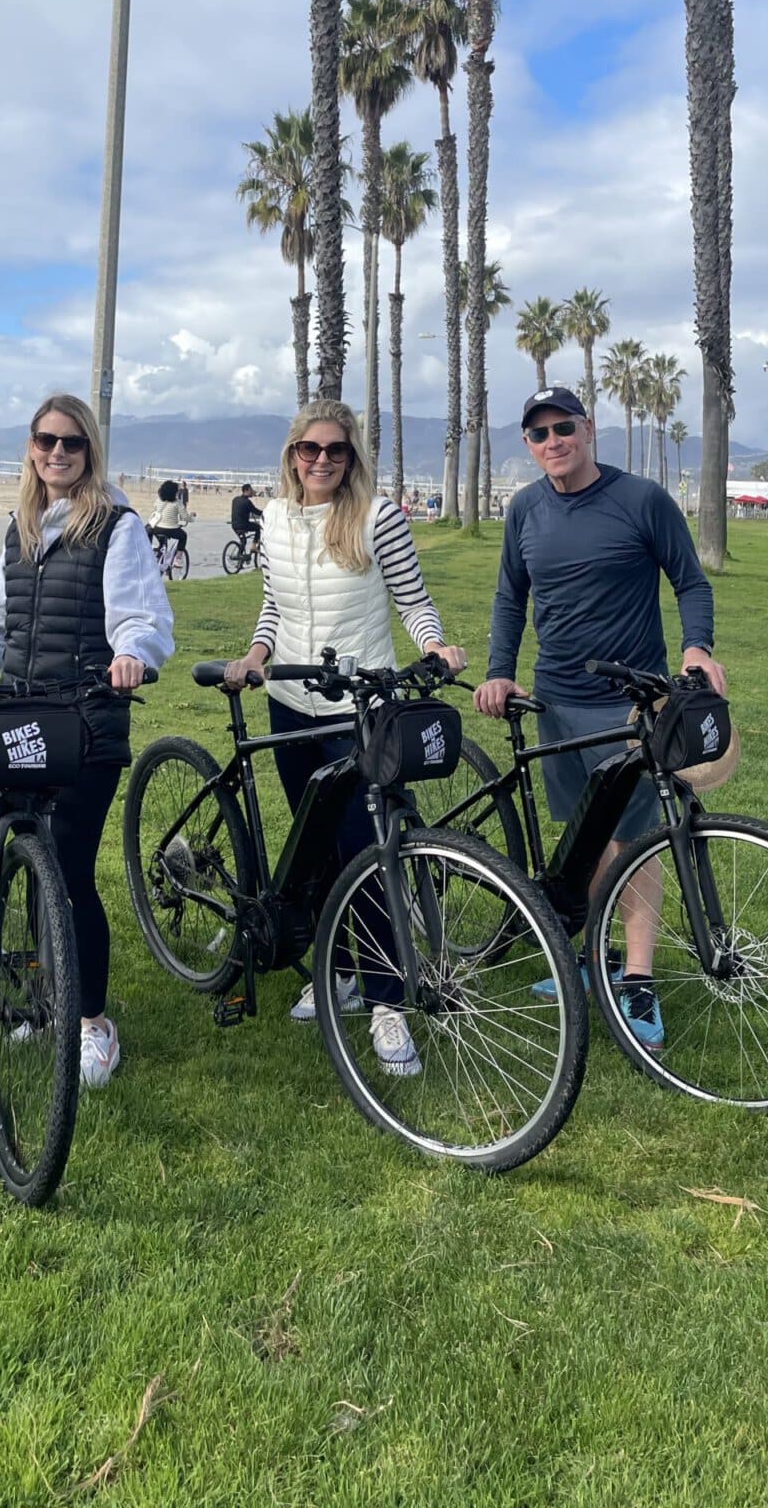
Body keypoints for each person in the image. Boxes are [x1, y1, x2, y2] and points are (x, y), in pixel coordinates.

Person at [473, 385, 727, 1051]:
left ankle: (637, 978)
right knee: (583, 837)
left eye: (563, 427)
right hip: (556, 704)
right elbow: (510, 596)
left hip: (629, 705)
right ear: (528, 445)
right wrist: (501, 668)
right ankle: (589, 964)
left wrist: (696, 647)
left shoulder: (641, 500)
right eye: (538, 434)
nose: (552, 441)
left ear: (588, 430)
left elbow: (690, 581)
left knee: (636, 841)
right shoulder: (525, 509)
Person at [221, 401, 466, 1077]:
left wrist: (434, 645)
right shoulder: (273, 519)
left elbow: (411, 599)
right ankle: (343, 974)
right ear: (291, 454)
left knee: (366, 850)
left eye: (336, 452)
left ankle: (389, 1000)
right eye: (310, 449)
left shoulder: (377, 518)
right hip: (288, 703)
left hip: (359, 707)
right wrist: (255, 654)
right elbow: (273, 603)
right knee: (319, 851)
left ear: (351, 459)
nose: (322, 461)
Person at [0, 394, 173, 1089]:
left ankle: (90, 1022)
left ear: (90, 452)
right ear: (30, 447)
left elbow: (142, 614)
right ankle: (38, 997)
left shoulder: (116, 525)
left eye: (72, 444)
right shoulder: (20, 525)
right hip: (19, 714)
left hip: (85, 720)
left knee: (70, 869)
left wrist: (134, 655)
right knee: (21, 852)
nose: (58, 453)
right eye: (46, 441)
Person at [146, 477, 190, 569]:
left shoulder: (158, 501)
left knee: (162, 543)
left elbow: (155, 510)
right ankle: (178, 559)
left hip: (156, 528)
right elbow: (185, 516)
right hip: (171, 529)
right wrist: (192, 518)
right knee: (183, 536)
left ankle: (154, 552)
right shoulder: (177, 503)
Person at [229, 483, 262, 556]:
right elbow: (256, 512)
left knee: (243, 541)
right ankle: (253, 546)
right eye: (251, 490)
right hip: (243, 525)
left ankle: (239, 559)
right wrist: (265, 513)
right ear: (246, 491)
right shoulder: (247, 502)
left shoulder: (235, 499)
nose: (252, 491)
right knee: (258, 528)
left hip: (234, 525)